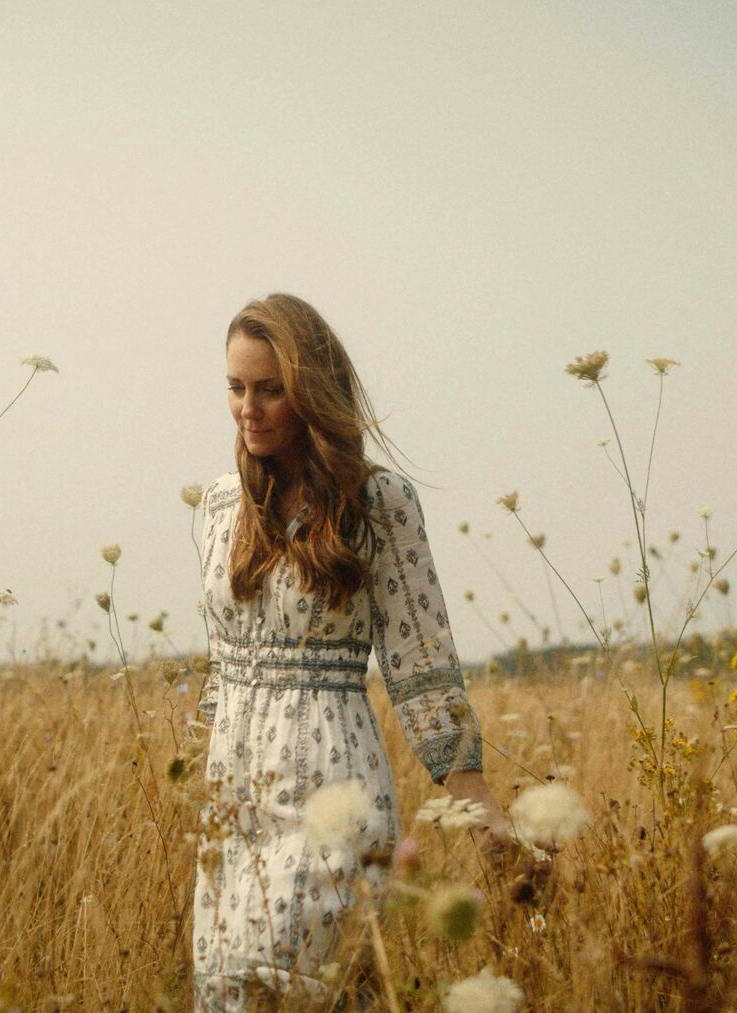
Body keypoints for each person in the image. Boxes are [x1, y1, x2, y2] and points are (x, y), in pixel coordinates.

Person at [192, 293, 509, 1010]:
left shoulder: (379, 502)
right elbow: (219, 668)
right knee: (228, 990)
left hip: (331, 787)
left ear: (311, 392)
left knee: (315, 987)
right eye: (236, 388)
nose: (249, 407)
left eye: (270, 388)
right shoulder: (216, 507)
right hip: (232, 797)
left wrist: (477, 802)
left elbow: (419, 662)